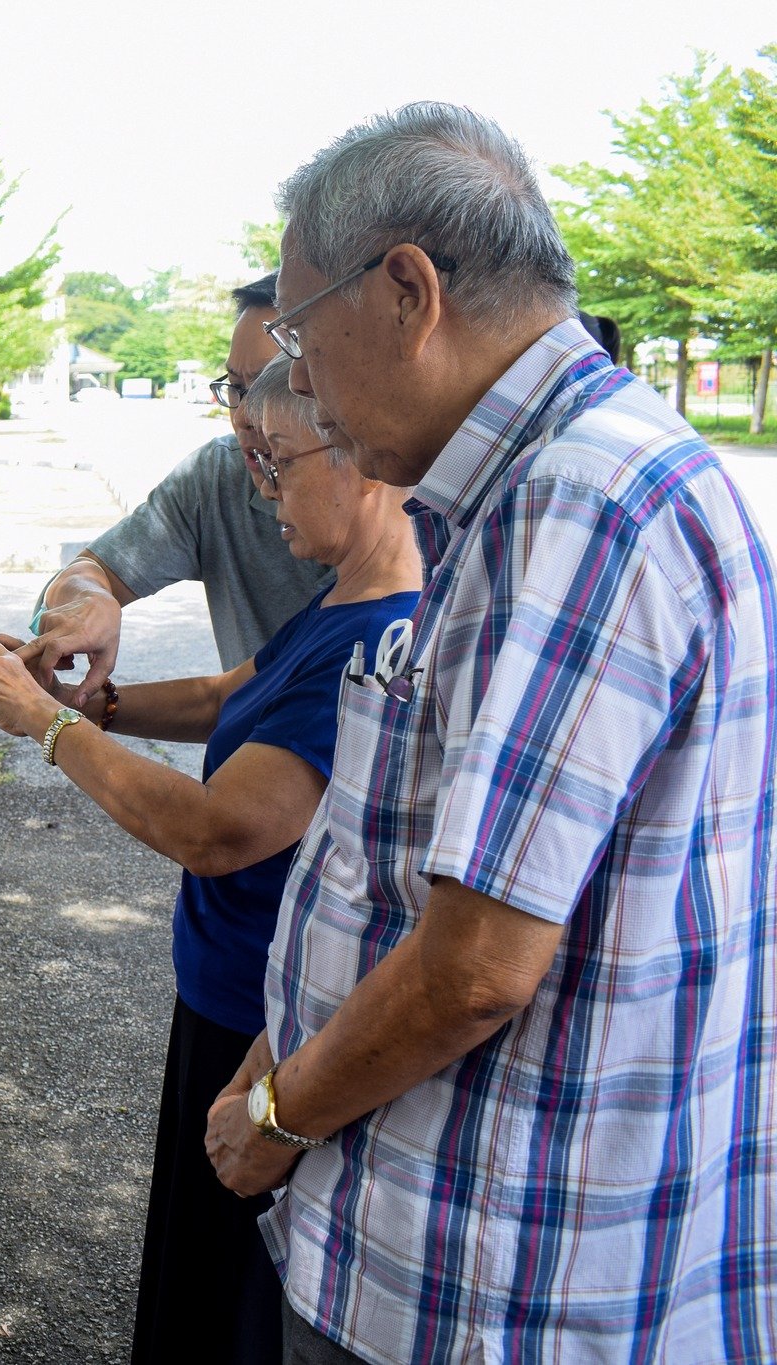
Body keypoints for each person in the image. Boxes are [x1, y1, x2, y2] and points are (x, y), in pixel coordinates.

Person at [199, 103, 777, 1363]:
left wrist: (279, 1113)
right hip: (468, 1235)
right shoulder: (544, 481)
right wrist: (288, 1034)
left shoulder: (573, 500)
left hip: (481, 1276)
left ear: (405, 289)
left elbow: (475, 967)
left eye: (296, 338)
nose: (295, 387)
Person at [0, 355, 421, 1365]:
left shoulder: (381, 638)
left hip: (268, 1020)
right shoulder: (338, 603)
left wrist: (43, 728)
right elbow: (221, 697)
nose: (259, 488)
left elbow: (217, 830)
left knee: (225, 1302)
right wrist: (87, 703)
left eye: (279, 462)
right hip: (221, 988)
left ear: (366, 459)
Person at [23, 275, 331, 712]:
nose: (243, 416)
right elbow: (225, 700)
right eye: (236, 388)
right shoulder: (220, 475)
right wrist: (92, 599)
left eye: (267, 388)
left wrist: (53, 718)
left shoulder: (412, 527)